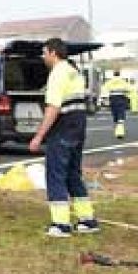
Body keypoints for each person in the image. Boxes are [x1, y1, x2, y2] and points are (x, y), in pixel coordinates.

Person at [28, 38, 99, 238]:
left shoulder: (57, 74)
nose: (43, 57)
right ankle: (87, 219)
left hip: (63, 127)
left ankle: (61, 224)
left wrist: (39, 135)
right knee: (73, 174)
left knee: (56, 174)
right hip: (78, 125)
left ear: (53, 53)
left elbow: (53, 108)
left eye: (44, 53)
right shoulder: (73, 71)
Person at [104, 71, 134, 139]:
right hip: (121, 98)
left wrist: (105, 100)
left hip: (112, 99)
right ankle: (120, 132)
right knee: (121, 115)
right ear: (119, 75)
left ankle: (116, 128)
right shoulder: (123, 81)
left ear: (113, 75)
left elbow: (105, 89)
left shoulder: (110, 82)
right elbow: (130, 89)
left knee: (115, 115)